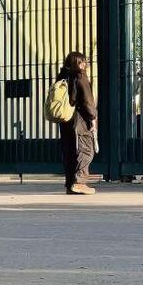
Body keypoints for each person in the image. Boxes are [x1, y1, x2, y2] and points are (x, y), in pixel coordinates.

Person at [58, 52, 97, 195]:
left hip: (65, 119)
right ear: (78, 63)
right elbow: (87, 100)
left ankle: (70, 184)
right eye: (83, 62)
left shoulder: (62, 76)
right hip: (79, 118)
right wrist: (92, 118)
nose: (85, 65)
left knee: (69, 151)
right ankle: (80, 182)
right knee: (86, 149)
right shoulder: (80, 76)